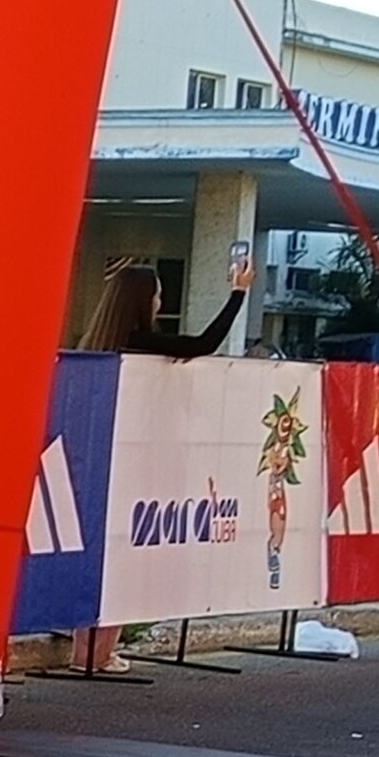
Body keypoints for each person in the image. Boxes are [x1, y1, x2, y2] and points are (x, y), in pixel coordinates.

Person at [65, 255, 255, 672]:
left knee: (99, 558)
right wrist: (238, 293)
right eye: (157, 296)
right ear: (142, 301)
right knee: (123, 561)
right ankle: (97, 653)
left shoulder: (94, 344)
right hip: (131, 466)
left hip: (93, 464)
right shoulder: (141, 342)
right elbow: (204, 343)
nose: (159, 304)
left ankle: (86, 649)